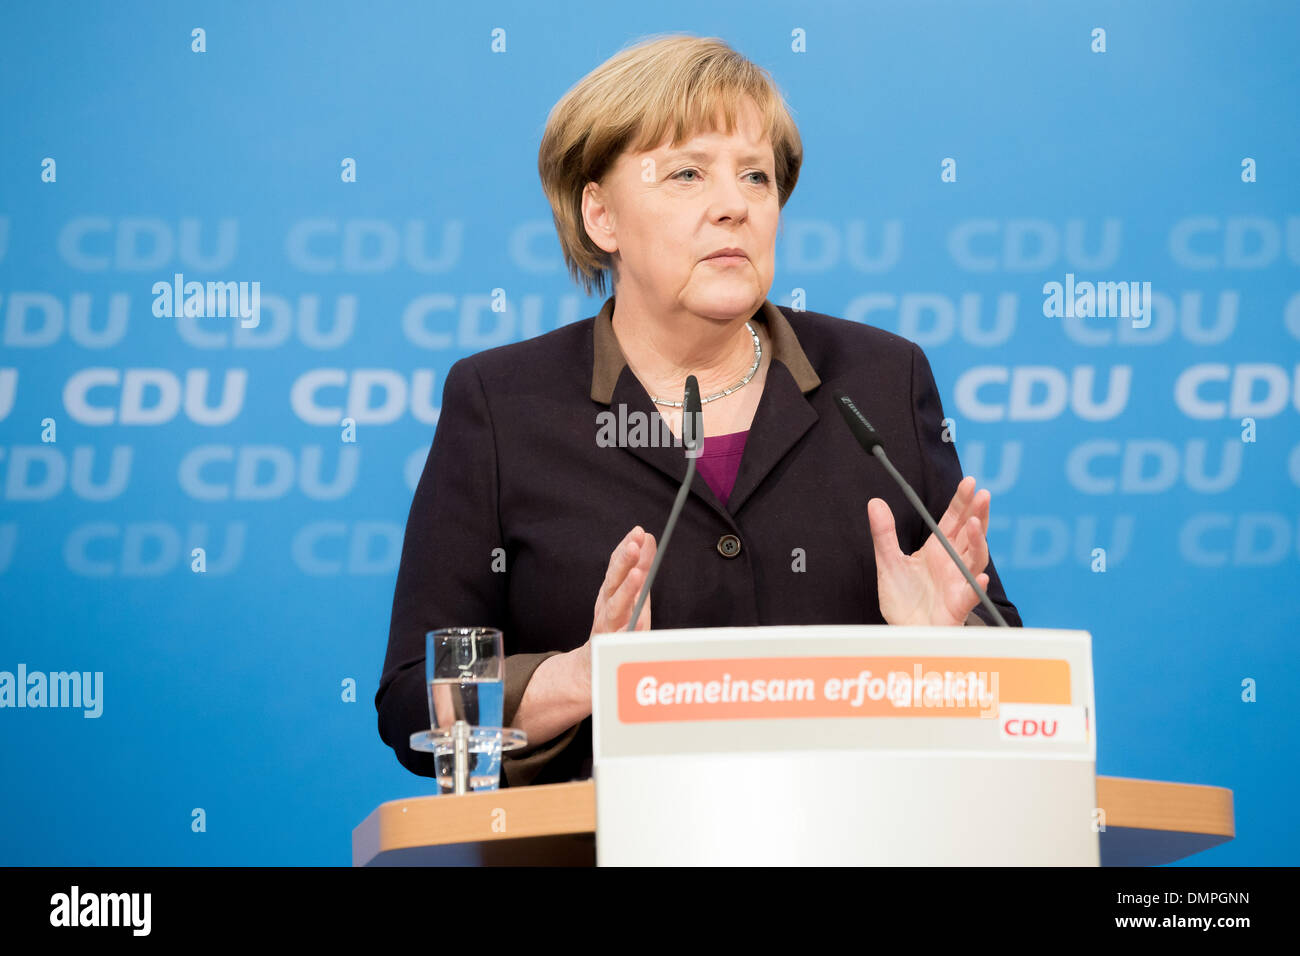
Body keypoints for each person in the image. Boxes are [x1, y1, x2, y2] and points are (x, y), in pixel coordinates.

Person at [376, 33, 1021, 788]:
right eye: (686, 174)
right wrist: (584, 678)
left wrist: (945, 654)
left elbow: (1005, 656)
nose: (733, 207)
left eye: (757, 176)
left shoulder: (878, 380)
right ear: (601, 217)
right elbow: (412, 700)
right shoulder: (503, 404)